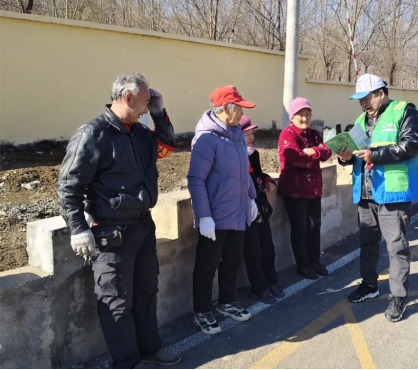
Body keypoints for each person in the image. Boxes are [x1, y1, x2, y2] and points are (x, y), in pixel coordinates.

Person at [57, 73, 181, 369]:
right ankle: (127, 362)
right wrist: (78, 229)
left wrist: (159, 113)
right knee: (116, 301)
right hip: (111, 233)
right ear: (128, 97)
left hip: (142, 226)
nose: (145, 108)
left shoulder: (138, 132)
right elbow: (68, 186)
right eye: (145, 102)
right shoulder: (93, 134)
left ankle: (150, 348)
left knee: (146, 292)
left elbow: (167, 146)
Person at [337, 74, 418, 322]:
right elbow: (356, 154)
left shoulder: (405, 112)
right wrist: (344, 156)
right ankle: (369, 285)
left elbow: (410, 146)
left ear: (381, 93)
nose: (363, 104)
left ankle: (398, 296)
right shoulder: (360, 120)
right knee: (367, 244)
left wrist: (375, 155)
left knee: (397, 248)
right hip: (365, 193)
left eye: (366, 98)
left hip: (392, 193)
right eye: (359, 100)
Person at [188, 86, 258, 335]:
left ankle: (227, 302)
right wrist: (204, 216)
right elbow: (196, 179)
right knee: (207, 267)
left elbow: (244, 169)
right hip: (215, 215)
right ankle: (202, 311)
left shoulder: (237, 132)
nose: (242, 114)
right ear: (227, 108)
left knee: (232, 262)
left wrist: (251, 198)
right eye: (239, 108)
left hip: (238, 211)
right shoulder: (206, 138)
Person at [278, 98, 332, 280]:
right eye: (301, 114)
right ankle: (303, 264)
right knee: (300, 228)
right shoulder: (288, 134)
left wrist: (314, 152)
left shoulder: (315, 134)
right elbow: (296, 158)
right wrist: (315, 154)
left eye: (308, 114)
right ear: (293, 116)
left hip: (314, 188)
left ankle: (314, 261)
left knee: (314, 226)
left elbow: (328, 151)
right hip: (295, 190)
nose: (304, 118)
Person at [240, 115, 285, 304]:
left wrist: (266, 179)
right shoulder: (235, 155)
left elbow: (257, 173)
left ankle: (271, 280)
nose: (251, 137)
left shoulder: (253, 153)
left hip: (259, 207)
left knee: (268, 246)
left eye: (252, 133)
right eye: (247, 133)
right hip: (244, 210)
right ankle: (258, 287)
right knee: (253, 250)